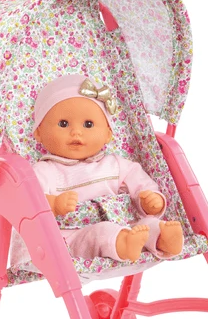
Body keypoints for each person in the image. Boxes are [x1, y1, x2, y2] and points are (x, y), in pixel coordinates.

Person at [32, 73, 183, 263]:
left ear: (108, 134)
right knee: (103, 231)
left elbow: (142, 185)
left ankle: (164, 239)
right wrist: (53, 204)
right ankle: (125, 244)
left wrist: (150, 200)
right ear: (39, 132)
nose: (76, 132)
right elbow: (30, 202)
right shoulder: (45, 171)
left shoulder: (116, 165)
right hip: (75, 239)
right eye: (64, 124)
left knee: (149, 224)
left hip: (128, 225)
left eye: (88, 124)